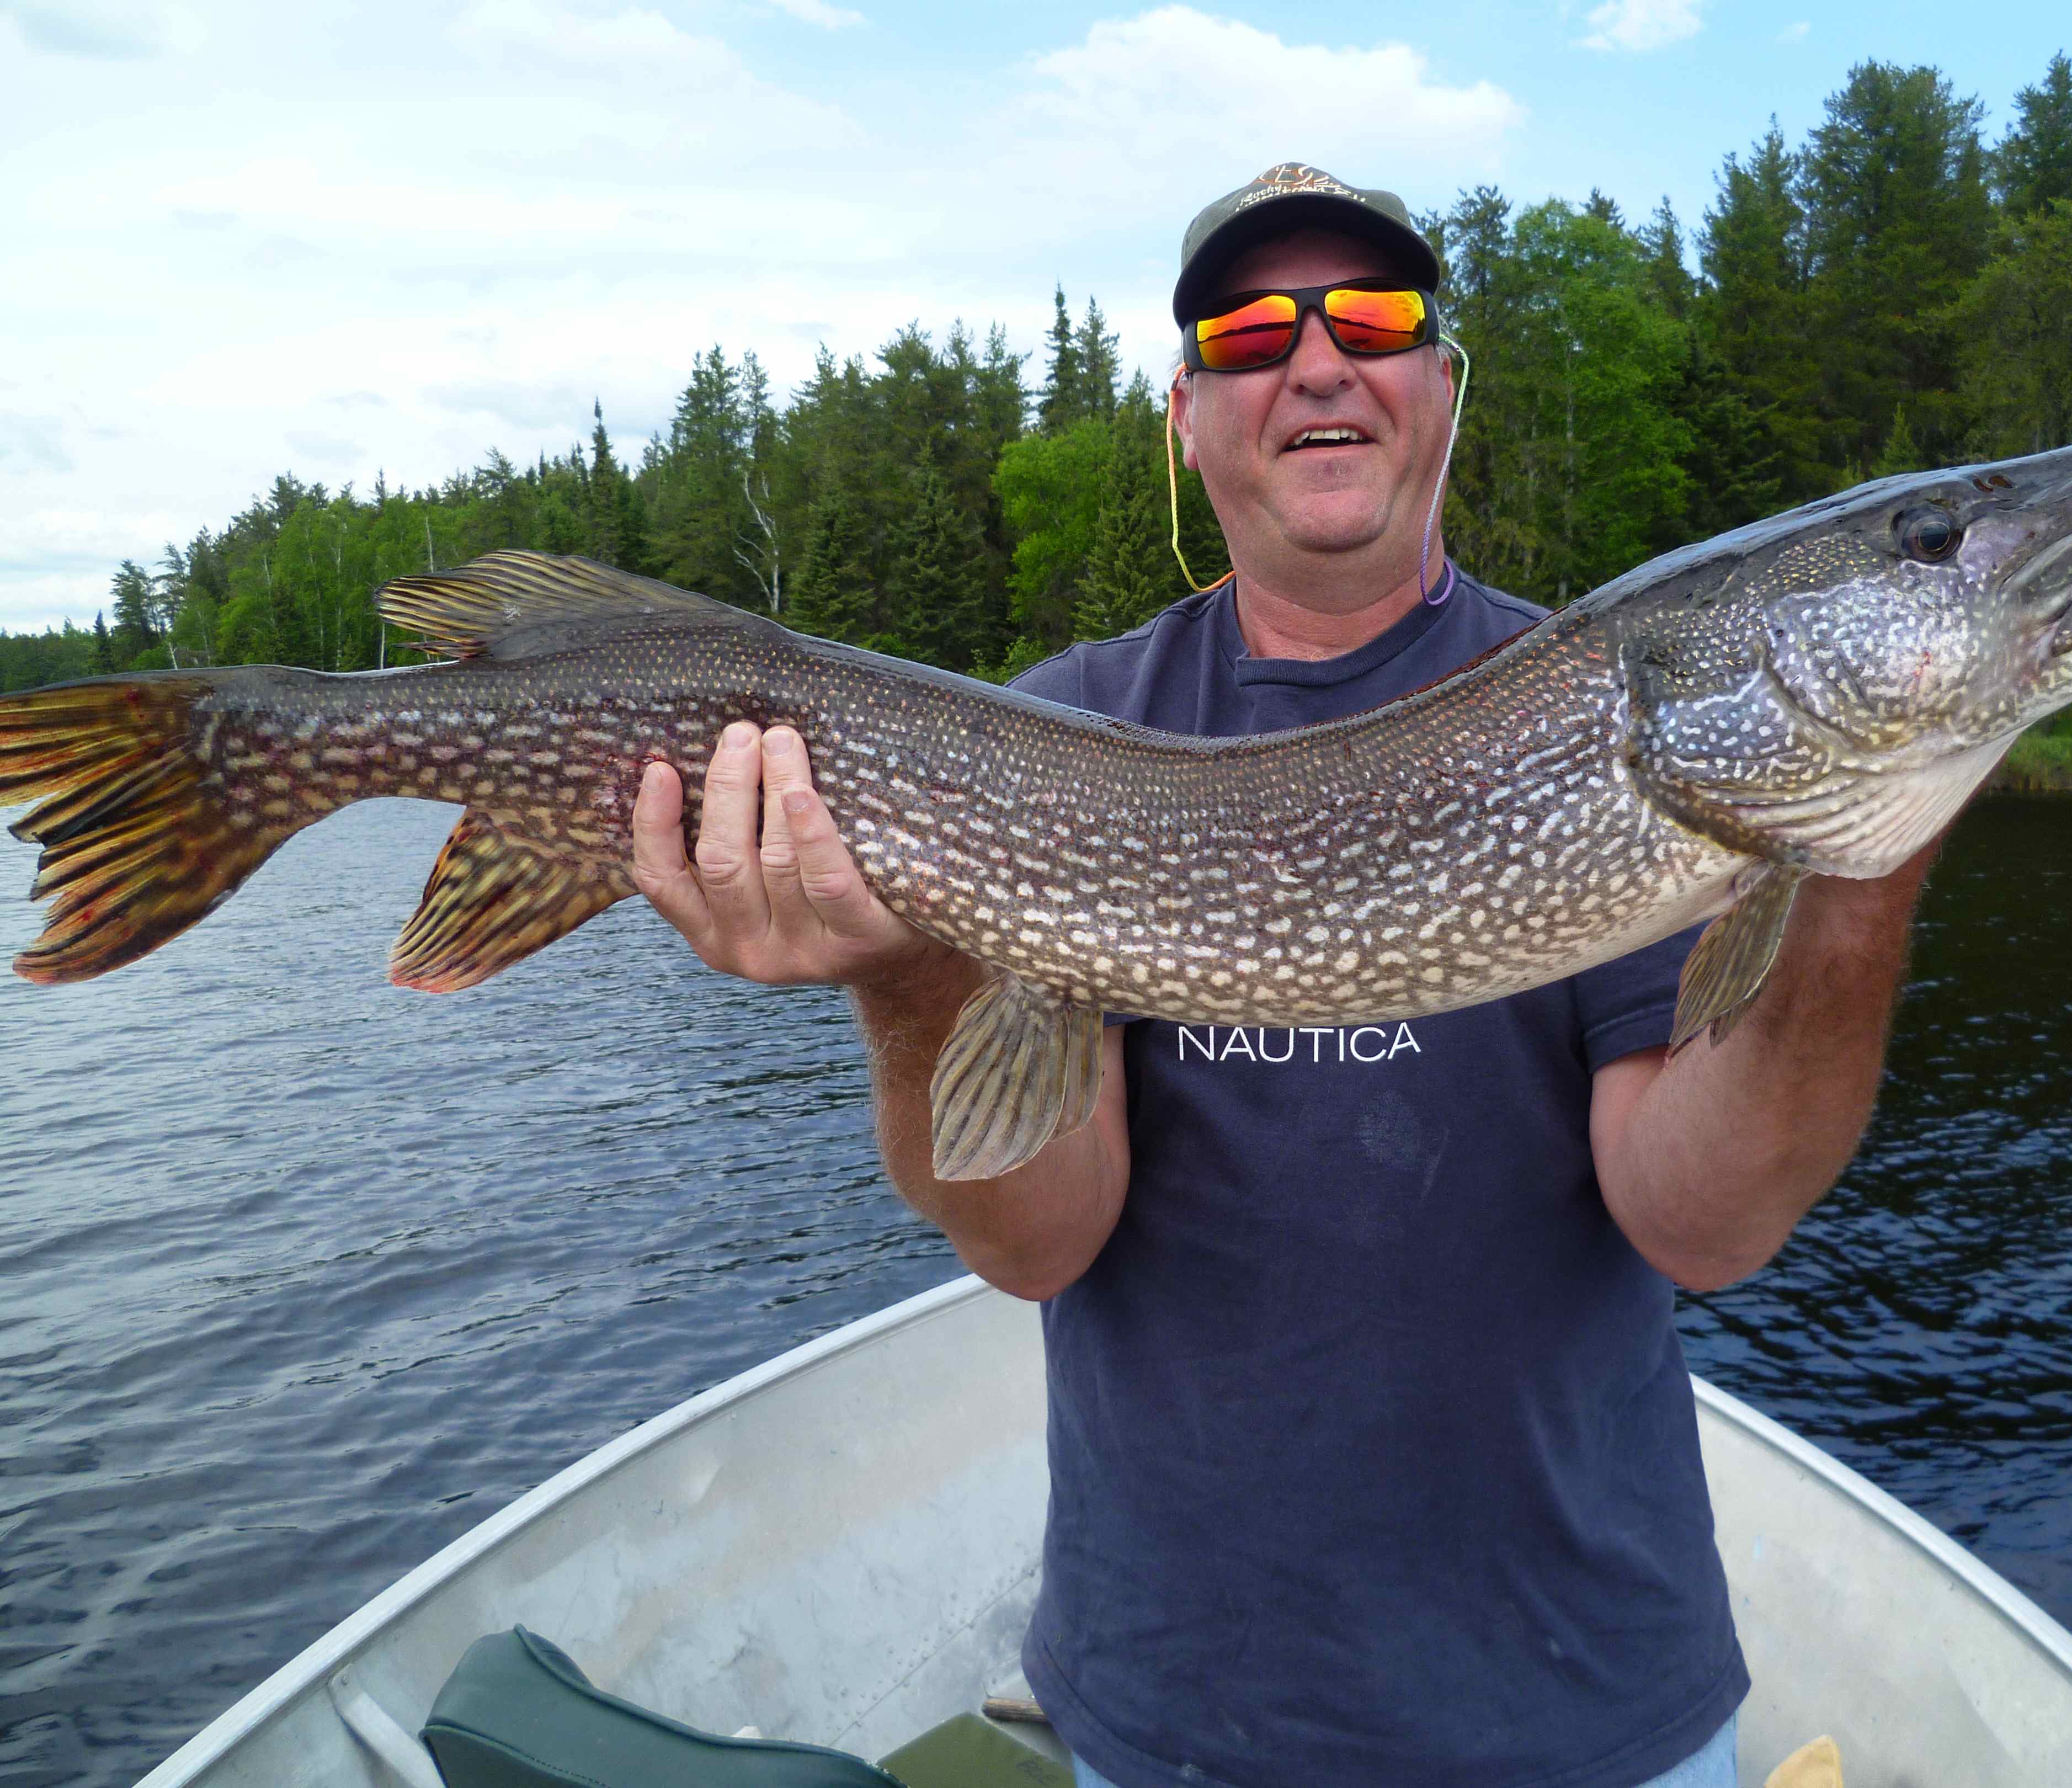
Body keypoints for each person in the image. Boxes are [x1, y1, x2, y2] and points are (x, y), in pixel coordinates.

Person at [628, 164, 1938, 1788]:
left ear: (1443, 385)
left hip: (1592, 1704)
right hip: (1177, 1717)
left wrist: (1857, 881)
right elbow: (1040, 1244)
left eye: (1376, 317)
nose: (1318, 361)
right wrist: (907, 975)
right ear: (1188, 414)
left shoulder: (1631, 732)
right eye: (1252, 332)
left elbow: (1705, 1222)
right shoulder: (1067, 731)